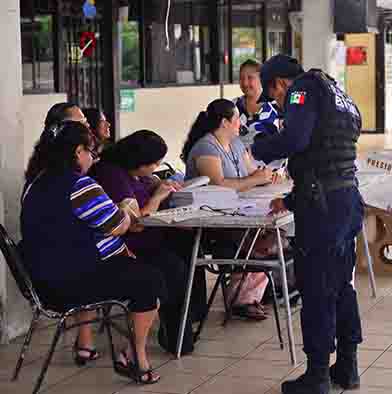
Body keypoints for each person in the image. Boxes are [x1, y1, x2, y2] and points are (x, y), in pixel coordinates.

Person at [250, 55, 364, 394]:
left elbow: (296, 141)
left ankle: (316, 377)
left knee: (316, 290)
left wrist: (260, 147)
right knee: (342, 285)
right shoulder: (334, 91)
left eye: (275, 98)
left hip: (324, 210)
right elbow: (326, 157)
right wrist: (291, 201)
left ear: (280, 84)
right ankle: (347, 366)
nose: (280, 108)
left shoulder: (301, 90)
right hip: (345, 198)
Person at [21, 120, 163, 384]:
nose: (93, 158)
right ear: (77, 152)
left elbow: (67, 231)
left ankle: (123, 351)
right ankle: (135, 356)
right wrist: (121, 208)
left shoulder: (34, 184)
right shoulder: (80, 185)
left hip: (42, 282)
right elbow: (120, 226)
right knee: (151, 280)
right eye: (91, 152)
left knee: (137, 271)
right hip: (72, 283)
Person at [91, 130, 206, 355]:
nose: (154, 167)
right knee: (176, 268)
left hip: (153, 237)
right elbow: (135, 222)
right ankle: (176, 334)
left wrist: (158, 184)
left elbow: (146, 186)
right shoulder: (112, 175)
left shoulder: (132, 173)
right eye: (153, 163)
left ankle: (189, 320)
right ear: (138, 161)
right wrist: (157, 197)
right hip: (130, 246)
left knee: (192, 248)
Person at [181, 99, 278, 320]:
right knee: (261, 239)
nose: (239, 124)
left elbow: (253, 173)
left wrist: (267, 176)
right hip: (211, 220)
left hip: (238, 212)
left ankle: (246, 296)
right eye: (236, 120)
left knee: (275, 233)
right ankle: (242, 298)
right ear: (225, 122)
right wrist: (254, 179)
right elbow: (219, 184)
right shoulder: (206, 146)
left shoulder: (235, 143)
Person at [235, 59, 281, 147]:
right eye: (241, 78)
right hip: (236, 160)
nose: (245, 83)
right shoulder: (232, 107)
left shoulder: (278, 108)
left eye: (250, 78)